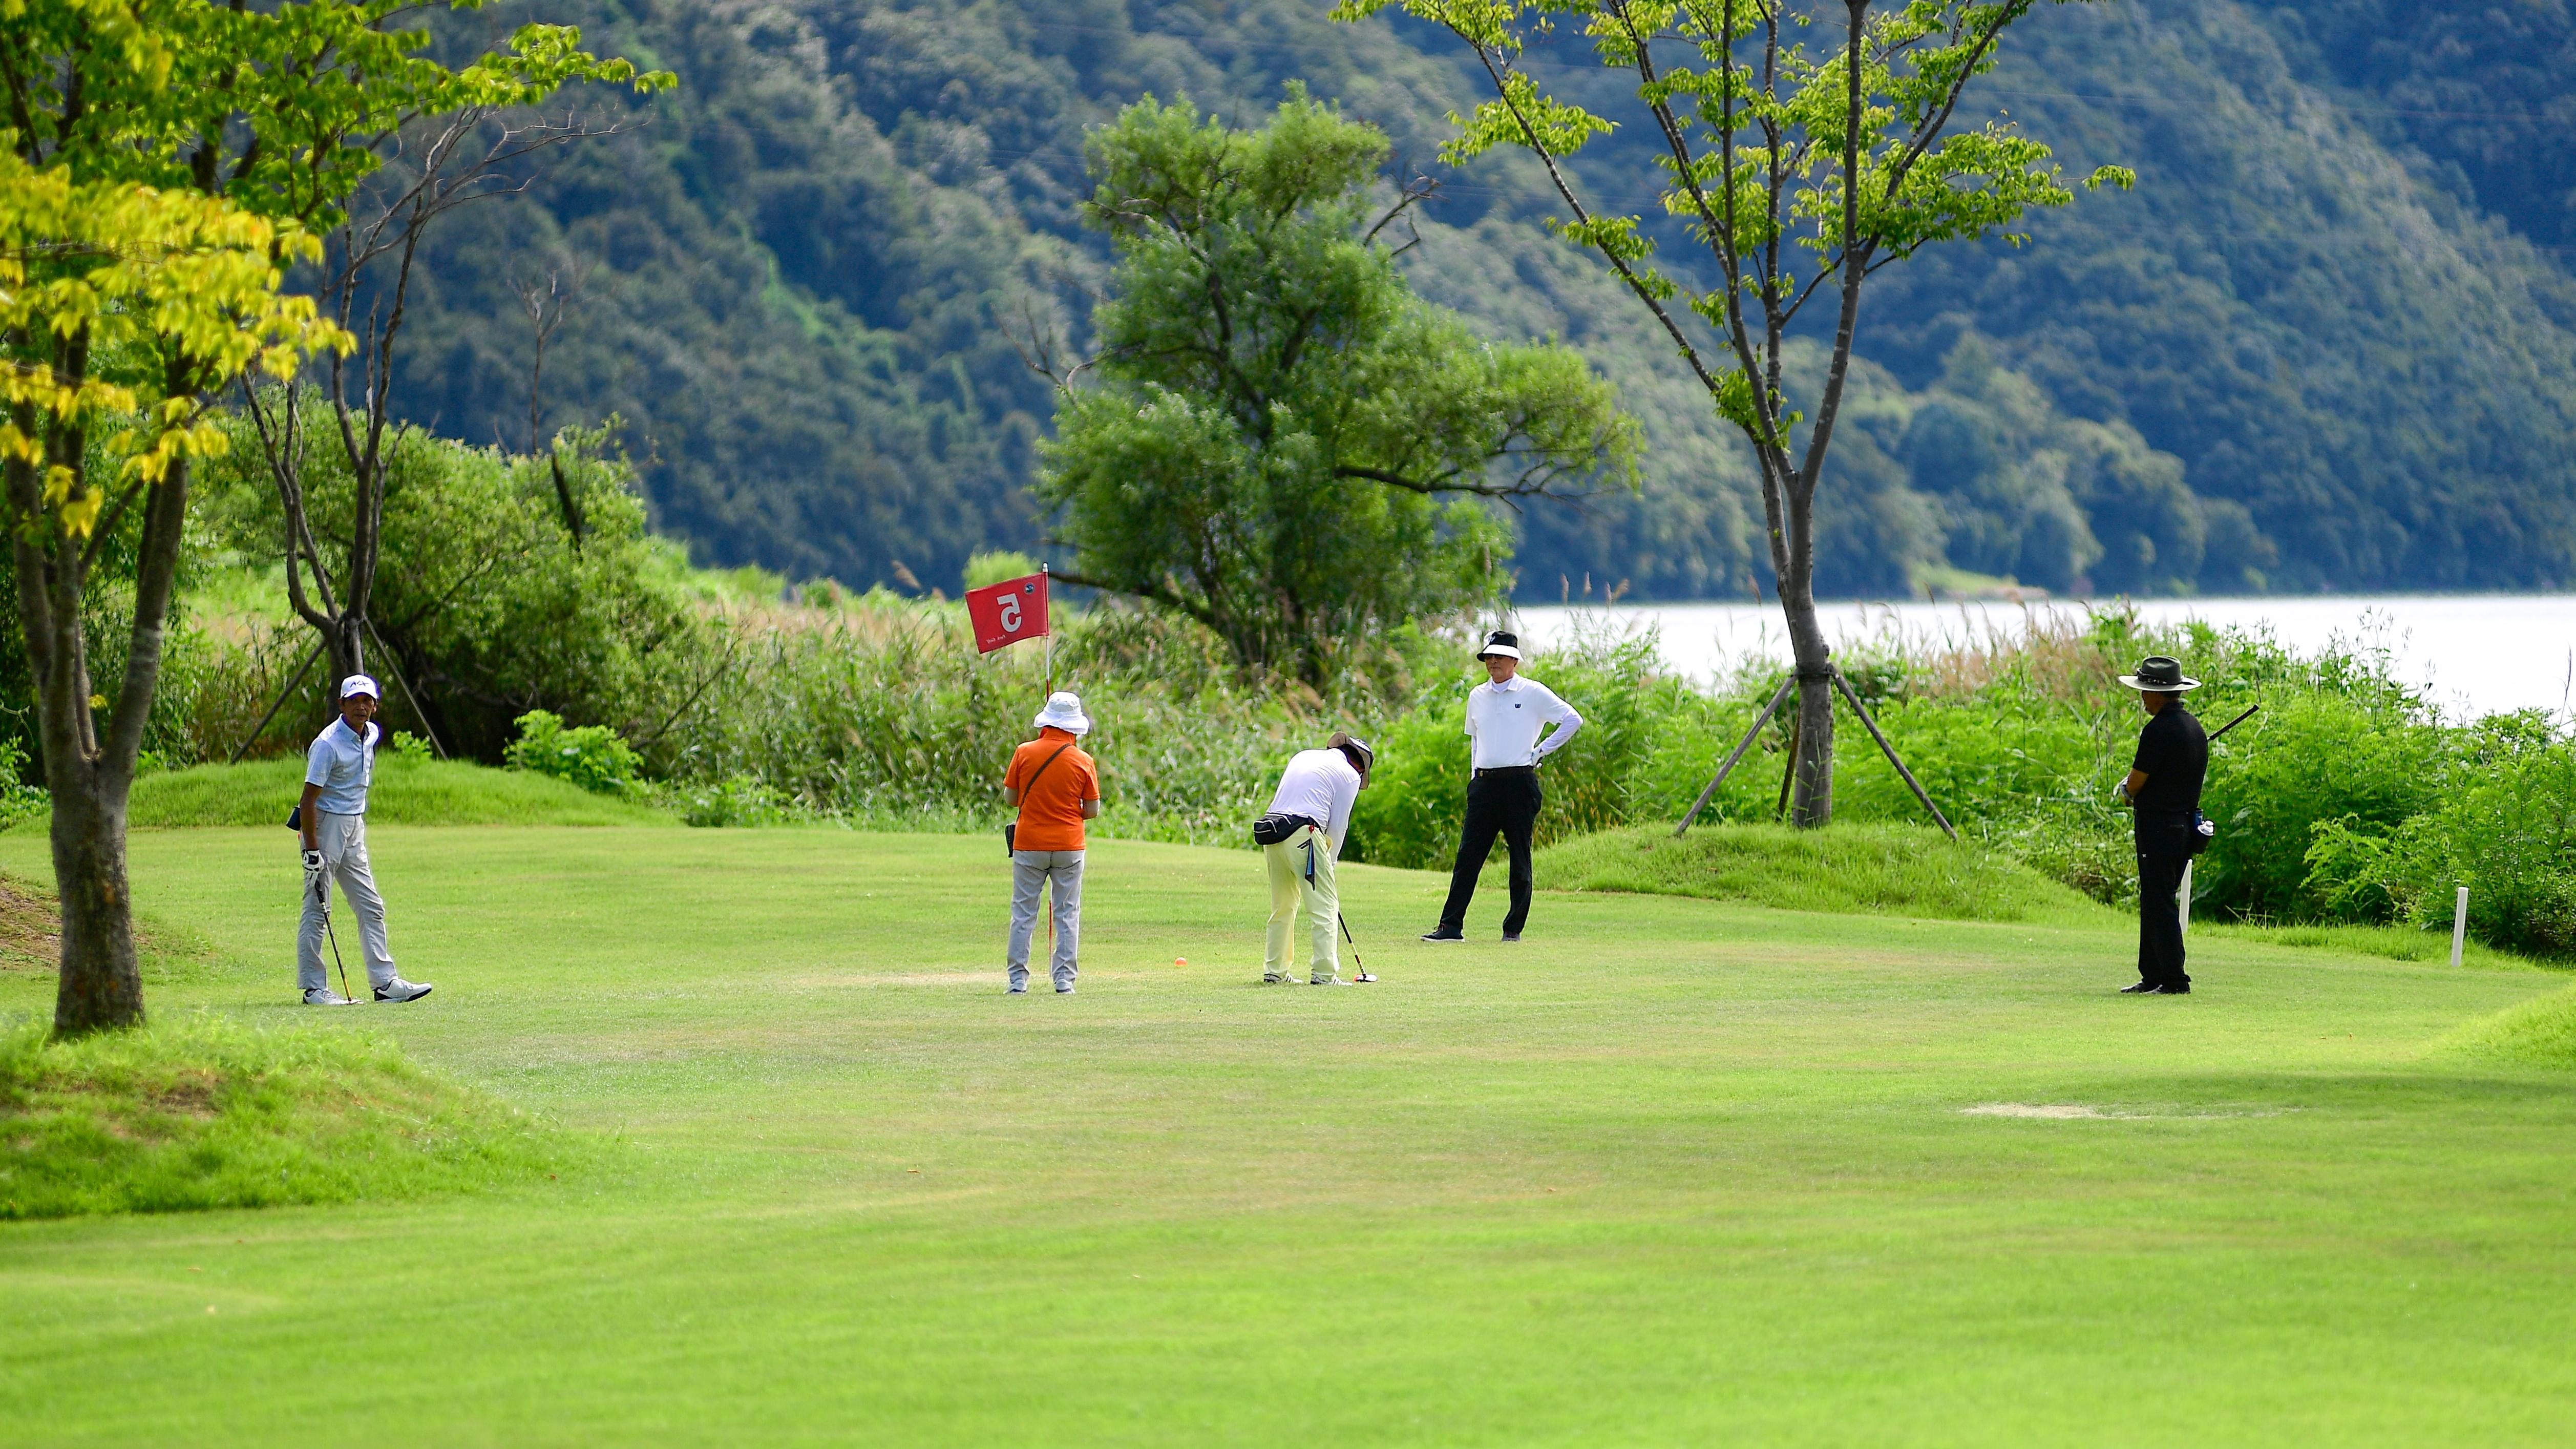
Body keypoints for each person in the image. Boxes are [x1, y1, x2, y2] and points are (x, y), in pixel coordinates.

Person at [1421, 629, 1582, 943]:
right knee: (1468, 856)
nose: (1492, 662)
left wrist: (1539, 753)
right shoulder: (1477, 696)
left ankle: (1513, 929)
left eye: (1499, 657)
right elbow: (1476, 740)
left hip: (1519, 783)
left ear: (1514, 661)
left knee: (1519, 857)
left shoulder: (1532, 692)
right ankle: (1451, 926)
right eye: (1488, 657)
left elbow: (1572, 719)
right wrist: (1473, 778)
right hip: (1483, 786)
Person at [299, 675, 433, 1005]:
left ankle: (384, 984)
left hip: (355, 826)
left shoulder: (370, 734)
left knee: (371, 905)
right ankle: (314, 989)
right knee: (318, 907)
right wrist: (312, 850)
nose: (362, 707)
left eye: (367, 701)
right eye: (354, 701)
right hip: (326, 825)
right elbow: (308, 801)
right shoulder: (327, 745)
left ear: (375, 705)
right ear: (342, 704)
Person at [2115, 655, 2208, 996]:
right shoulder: (2193, 728)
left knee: (2159, 901)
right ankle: (2152, 974)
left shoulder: (2157, 731)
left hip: (2159, 828)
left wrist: (2124, 790)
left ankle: (2174, 979)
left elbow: (2137, 782)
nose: (2141, 698)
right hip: (2184, 826)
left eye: (2144, 692)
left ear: (2159, 694)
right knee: (2157, 897)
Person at [1002, 691, 1101, 995]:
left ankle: (1018, 981)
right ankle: (1064, 981)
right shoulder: (1084, 760)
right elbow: (1093, 811)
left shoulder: (1024, 752)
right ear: (1074, 727)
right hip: (1069, 845)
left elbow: (1010, 799)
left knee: (1023, 913)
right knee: (1067, 912)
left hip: (1029, 842)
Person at [1256, 732, 1374, 985]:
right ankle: (1324, 974)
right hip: (1305, 834)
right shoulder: (1351, 775)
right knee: (1325, 907)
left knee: (1283, 906)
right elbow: (1338, 826)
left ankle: (1275, 971)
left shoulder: (1305, 755)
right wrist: (1330, 863)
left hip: (1273, 831)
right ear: (1361, 767)